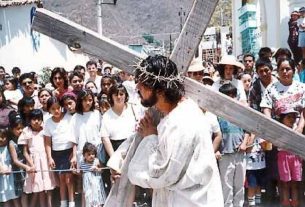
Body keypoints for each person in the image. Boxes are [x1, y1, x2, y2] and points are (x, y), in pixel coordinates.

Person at [114, 55, 223, 206]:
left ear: (160, 90)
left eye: (143, 83)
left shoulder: (183, 121)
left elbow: (162, 173)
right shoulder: (171, 115)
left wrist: (150, 137)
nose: (137, 87)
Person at [217, 83, 249, 207]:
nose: (230, 98)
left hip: (240, 153)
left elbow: (247, 130)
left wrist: (244, 143)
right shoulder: (217, 113)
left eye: (233, 95)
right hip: (224, 154)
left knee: (239, 184)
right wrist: (217, 150)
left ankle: (239, 205)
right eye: (227, 95)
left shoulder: (241, 113)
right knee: (226, 184)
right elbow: (214, 133)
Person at [18, 109, 57, 207]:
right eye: (34, 119)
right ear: (29, 120)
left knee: (48, 187)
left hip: (45, 160)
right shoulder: (26, 131)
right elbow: (25, 152)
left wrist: (49, 158)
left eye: (39, 119)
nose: (36, 122)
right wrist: (31, 164)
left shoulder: (45, 129)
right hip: (34, 162)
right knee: (39, 188)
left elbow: (49, 145)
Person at [44, 97, 77, 207]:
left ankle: (72, 203)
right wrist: (50, 157)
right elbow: (48, 142)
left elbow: (74, 137)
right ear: (49, 110)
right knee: (61, 179)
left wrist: (74, 153)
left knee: (69, 179)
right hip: (57, 153)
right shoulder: (48, 123)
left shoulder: (69, 118)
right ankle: (63, 203)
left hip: (69, 152)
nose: (56, 110)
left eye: (58, 108)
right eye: (53, 109)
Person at [8, 112, 35, 207]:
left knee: (30, 191)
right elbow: (15, 160)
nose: (20, 131)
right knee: (22, 193)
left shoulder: (24, 139)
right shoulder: (12, 143)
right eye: (17, 129)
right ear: (12, 130)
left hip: (27, 169)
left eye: (21, 128)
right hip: (19, 170)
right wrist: (26, 167)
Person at [277, 109, 302, 207]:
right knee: (285, 183)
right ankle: (286, 203)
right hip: (283, 157)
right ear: (282, 118)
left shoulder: (297, 128)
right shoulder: (278, 129)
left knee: (295, 183)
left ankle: (295, 204)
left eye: (294, 117)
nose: (292, 119)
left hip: (295, 157)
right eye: (288, 117)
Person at [79, 142, 107, 207]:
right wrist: (76, 172)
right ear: (84, 155)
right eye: (89, 154)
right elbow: (81, 173)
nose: (91, 156)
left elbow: (102, 170)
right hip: (87, 184)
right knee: (88, 196)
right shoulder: (82, 163)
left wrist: (97, 169)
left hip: (96, 183)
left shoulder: (96, 161)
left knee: (97, 195)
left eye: (93, 154)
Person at [0, 127, 21, 207]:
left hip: (11, 175)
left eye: (3, 137)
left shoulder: (9, 147)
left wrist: (9, 168)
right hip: (2, 176)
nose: (1, 139)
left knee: (14, 196)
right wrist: (2, 170)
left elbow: (13, 160)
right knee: (5, 197)